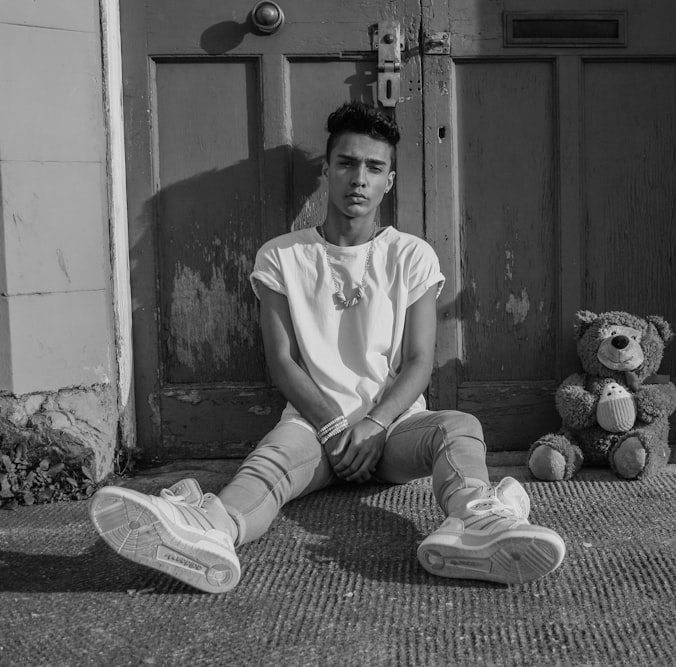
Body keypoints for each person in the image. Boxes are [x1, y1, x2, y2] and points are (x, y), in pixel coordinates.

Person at [89, 101, 566, 593]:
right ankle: (210, 531)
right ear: (328, 171)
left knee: (460, 426)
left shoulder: (411, 255)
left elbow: (420, 361)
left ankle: (476, 524)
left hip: (395, 430)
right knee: (271, 461)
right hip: (314, 431)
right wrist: (337, 428)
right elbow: (282, 360)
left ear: (389, 181)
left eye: (374, 167)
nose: (359, 178)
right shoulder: (282, 256)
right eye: (347, 163)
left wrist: (375, 425)